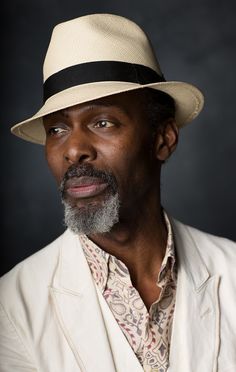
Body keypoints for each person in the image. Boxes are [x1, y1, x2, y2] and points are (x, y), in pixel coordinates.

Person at [0, 13, 235, 372]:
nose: (73, 149)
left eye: (102, 122)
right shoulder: (12, 306)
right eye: (57, 129)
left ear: (163, 139)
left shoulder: (232, 274)